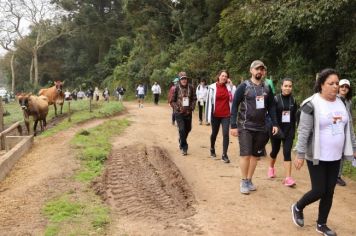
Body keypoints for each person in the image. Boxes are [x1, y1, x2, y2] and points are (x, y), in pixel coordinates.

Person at [291, 68, 355, 236]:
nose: (335, 86)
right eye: (331, 83)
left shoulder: (342, 102)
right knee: (319, 190)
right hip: (317, 155)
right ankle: (298, 206)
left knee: (330, 191)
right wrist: (300, 154)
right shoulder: (311, 104)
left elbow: (349, 128)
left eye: (337, 83)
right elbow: (303, 131)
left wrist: (353, 148)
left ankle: (322, 224)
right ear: (321, 85)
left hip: (336, 155)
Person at [230, 60, 278, 194]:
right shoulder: (243, 86)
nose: (259, 72)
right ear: (251, 71)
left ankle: (249, 180)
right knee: (245, 155)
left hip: (261, 127)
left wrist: (274, 123)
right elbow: (234, 105)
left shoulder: (267, 88)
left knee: (255, 156)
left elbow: (272, 107)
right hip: (245, 126)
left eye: (262, 70)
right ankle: (243, 180)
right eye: (257, 69)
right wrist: (233, 125)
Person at [268, 78, 298, 187]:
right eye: (285, 86)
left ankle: (288, 178)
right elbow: (272, 115)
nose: (288, 88)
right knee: (275, 151)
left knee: (287, 152)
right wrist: (274, 126)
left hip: (289, 129)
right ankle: (271, 168)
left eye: (290, 86)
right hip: (276, 129)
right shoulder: (275, 99)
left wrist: (294, 130)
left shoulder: (293, 101)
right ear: (281, 87)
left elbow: (294, 117)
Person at [206, 70, 233, 163]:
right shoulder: (212, 87)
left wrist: (232, 86)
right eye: (222, 75)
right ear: (219, 76)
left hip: (226, 114)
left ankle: (224, 154)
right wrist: (207, 117)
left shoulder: (229, 87)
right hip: (215, 115)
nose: (224, 77)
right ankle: (212, 147)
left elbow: (234, 97)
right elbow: (208, 102)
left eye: (226, 76)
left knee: (225, 134)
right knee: (214, 133)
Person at [336, 79, 356, 186]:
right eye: (342, 86)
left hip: (346, 131)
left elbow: (350, 118)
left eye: (346, 87)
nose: (344, 88)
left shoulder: (349, 102)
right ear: (338, 87)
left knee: (342, 154)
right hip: (336, 130)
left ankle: (337, 176)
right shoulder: (334, 99)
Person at [171, 72, 197, 156]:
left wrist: (192, 107)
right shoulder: (176, 88)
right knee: (182, 129)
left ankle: (181, 139)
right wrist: (177, 108)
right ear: (179, 80)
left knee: (188, 128)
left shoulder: (191, 87)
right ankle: (184, 147)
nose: (184, 80)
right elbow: (172, 101)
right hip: (179, 113)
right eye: (182, 79)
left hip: (188, 112)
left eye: (185, 78)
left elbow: (194, 98)